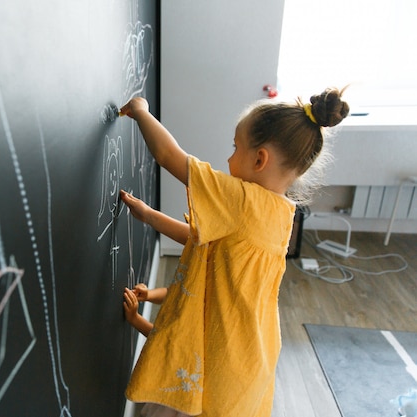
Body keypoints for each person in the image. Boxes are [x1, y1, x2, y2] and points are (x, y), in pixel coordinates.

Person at [119, 88, 350, 417]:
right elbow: (205, 243)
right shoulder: (282, 214)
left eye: (235, 147)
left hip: (220, 359)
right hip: (250, 355)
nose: (228, 159)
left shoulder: (242, 199)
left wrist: (141, 111)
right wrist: (149, 215)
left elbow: (169, 156)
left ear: (260, 159)